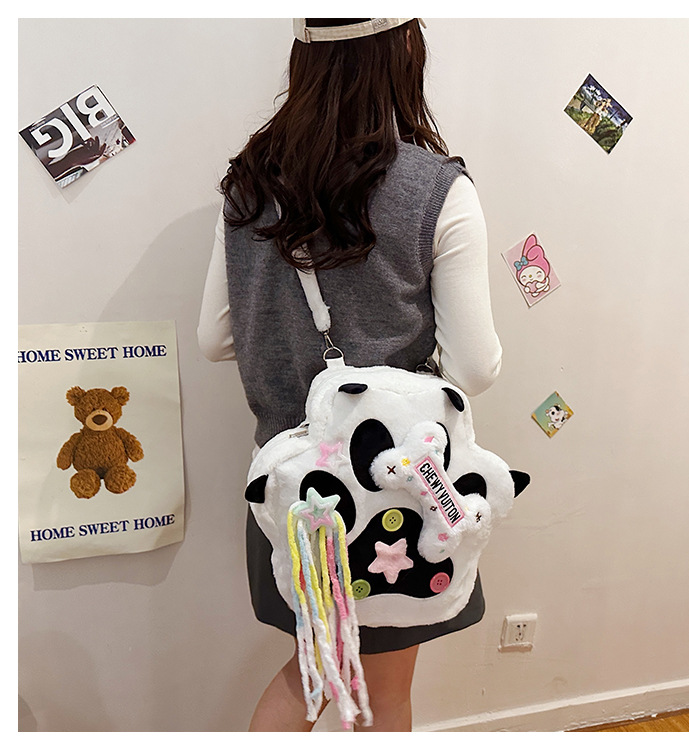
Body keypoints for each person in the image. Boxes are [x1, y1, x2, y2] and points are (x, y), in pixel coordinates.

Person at [198, 18, 503, 732]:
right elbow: (475, 367)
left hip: (290, 483)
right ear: (403, 51)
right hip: (395, 487)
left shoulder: (248, 184)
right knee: (380, 693)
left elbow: (215, 338)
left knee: (313, 670)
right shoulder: (436, 189)